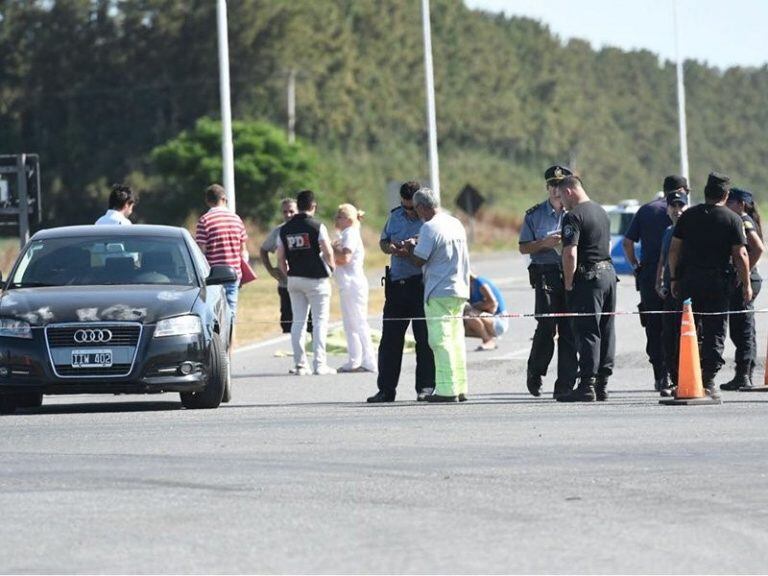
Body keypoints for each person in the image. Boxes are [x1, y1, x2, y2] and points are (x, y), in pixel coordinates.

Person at [668, 172, 751, 399]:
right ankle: (708, 379)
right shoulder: (732, 219)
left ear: (705, 192)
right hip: (717, 283)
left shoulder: (688, 216)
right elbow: (741, 254)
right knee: (715, 330)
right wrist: (746, 285)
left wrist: (674, 278)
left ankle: (682, 377)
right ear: (725, 194)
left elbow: (674, 250)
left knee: (688, 329)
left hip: (689, 281)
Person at [366, 181, 435, 403]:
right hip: (397, 284)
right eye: (405, 207)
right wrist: (392, 247)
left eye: (411, 208)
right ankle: (386, 389)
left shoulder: (430, 221)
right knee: (390, 341)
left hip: (421, 283)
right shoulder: (395, 216)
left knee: (424, 340)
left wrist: (414, 244)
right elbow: (383, 242)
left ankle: (425, 386)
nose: (408, 211)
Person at [555, 175, 616, 402]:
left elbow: (570, 252)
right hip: (608, 274)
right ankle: (602, 384)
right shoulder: (601, 212)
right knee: (606, 329)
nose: (561, 203)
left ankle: (587, 385)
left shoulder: (574, 216)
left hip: (588, 277)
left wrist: (569, 282)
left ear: (570, 191)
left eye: (561, 197)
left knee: (588, 330)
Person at [519, 165, 578, 398]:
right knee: (546, 326)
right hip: (546, 273)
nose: (556, 190)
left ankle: (565, 383)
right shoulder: (534, 215)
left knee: (569, 328)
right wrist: (543, 243)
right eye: (552, 186)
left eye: (560, 186)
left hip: (571, 271)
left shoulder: (575, 212)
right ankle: (535, 371)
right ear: (547, 188)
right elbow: (523, 247)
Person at [407, 187, 471, 402]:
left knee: (440, 340)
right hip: (459, 288)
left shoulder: (429, 228)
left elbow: (419, 259)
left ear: (423, 207)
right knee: (456, 340)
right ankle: (460, 386)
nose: (416, 214)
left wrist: (409, 248)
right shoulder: (455, 223)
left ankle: (446, 389)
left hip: (438, 290)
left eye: (416, 209)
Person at [623, 176, 682, 392]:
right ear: (681, 190)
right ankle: (680, 374)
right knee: (678, 325)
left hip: (649, 275)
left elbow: (627, 243)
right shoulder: (687, 212)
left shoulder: (646, 210)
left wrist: (636, 267)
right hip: (679, 276)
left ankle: (660, 375)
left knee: (653, 325)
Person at [277, 189, 337, 376]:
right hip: (316, 279)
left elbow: (280, 257)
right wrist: (332, 267)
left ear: (298, 206)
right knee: (319, 322)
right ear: (313, 206)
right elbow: (327, 251)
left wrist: (287, 275)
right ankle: (320, 364)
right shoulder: (317, 226)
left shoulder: (284, 229)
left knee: (298, 321)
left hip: (294, 279)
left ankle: (301, 365)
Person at [721, 187, 764, 390]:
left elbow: (758, 248)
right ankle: (745, 373)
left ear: (741, 204)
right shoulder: (744, 219)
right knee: (744, 328)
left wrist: (742, 273)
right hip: (747, 279)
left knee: (742, 329)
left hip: (746, 280)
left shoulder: (744, 220)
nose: (727, 205)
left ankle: (743, 375)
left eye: (731, 202)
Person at [332, 203, 377, 373]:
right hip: (347, 283)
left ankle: (369, 360)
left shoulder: (350, 233)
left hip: (353, 283)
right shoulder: (346, 233)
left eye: (340, 216)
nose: (336, 218)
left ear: (349, 220)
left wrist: (331, 249)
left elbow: (345, 258)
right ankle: (355, 359)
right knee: (350, 324)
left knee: (358, 322)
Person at [195, 184, 248, 324]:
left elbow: (201, 252)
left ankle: (217, 344)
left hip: (213, 276)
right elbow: (243, 251)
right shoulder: (236, 219)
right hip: (233, 273)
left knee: (214, 315)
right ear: (224, 199)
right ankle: (231, 345)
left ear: (208, 201)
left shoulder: (204, 220)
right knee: (231, 312)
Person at [260, 198, 312, 334]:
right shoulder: (279, 231)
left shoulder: (308, 227)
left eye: (291, 211)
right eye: (285, 212)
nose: (288, 214)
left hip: (307, 281)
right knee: (288, 321)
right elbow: (264, 249)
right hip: (286, 284)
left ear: (298, 211)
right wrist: (271, 269)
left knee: (310, 322)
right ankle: (291, 351)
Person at [654, 189, 689, 396]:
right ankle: (671, 378)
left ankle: (689, 378)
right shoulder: (668, 231)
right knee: (668, 335)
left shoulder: (692, 230)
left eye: (681, 206)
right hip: (670, 290)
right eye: (673, 206)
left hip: (686, 290)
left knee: (686, 336)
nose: (677, 210)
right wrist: (659, 281)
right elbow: (663, 258)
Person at [463, 273, 508, 351]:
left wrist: (474, 307)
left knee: (469, 315)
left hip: (499, 321)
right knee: (462, 325)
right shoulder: (468, 286)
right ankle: (488, 337)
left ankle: (488, 340)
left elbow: (493, 303)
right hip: (490, 320)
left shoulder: (479, 282)